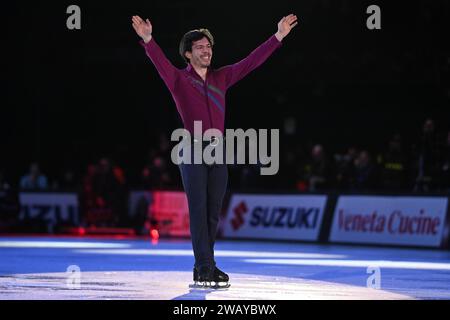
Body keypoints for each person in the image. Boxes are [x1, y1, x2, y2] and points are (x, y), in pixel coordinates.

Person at [132, 13, 298, 288]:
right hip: (192, 149)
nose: (206, 50)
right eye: (200, 47)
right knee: (198, 210)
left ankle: (206, 265)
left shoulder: (222, 77)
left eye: (208, 47)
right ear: (188, 54)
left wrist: (278, 36)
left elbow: (252, 62)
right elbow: (160, 63)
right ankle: (204, 265)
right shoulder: (178, 80)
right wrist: (148, 39)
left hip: (219, 150)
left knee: (212, 212)